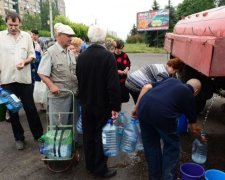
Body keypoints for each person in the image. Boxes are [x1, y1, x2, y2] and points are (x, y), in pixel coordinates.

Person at [132, 78, 206, 180]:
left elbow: (146, 87)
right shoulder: (189, 95)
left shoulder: (171, 80)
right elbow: (193, 128)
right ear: (196, 91)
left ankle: (154, 177)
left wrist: (136, 108)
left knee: (151, 146)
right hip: (163, 115)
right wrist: (200, 139)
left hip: (144, 109)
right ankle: (168, 177)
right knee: (172, 147)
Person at [76, 25, 121, 178]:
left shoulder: (81, 57)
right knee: (101, 136)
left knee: (88, 135)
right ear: (103, 39)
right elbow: (113, 84)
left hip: (86, 103)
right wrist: (116, 106)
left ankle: (90, 165)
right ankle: (100, 169)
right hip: (103, 104)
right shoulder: (108, 56)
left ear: (89, 38)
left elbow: (79, 80)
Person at [0, 12, 43, 150]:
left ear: (20, 23)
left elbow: (32, 55)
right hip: (6, 80)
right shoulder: (0, 37)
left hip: (24, 80)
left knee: (30, 108)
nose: (13, 27)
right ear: (6, 22)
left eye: (16, 24)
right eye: (10, 24)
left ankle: (39, 135)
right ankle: (19, 138)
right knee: (13, 111)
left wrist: (25, 62)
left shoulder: (26, 37)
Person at [37, 24, 79, 143]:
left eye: (71, 36)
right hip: (58, 96)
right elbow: (41, 73)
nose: (70, 38)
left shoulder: (70, 52)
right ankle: (57, 151)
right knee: (58, 125)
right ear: (58, 36)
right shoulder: (50, 52)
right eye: (68, 36)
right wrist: (51, 85)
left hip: (72, 94)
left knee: (70, 124)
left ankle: (68, 147)